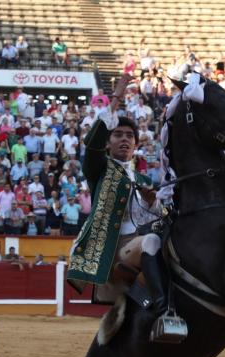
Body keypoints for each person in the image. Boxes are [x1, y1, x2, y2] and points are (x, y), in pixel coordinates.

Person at [66, 73, 175, 339]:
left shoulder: (144, 180)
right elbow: (92, 142)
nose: (124, 139)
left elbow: (158, 218)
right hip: (111, 247)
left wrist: (153, 204)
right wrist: (116, 96)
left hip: (136, 244)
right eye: (118, 135)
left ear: (136, 145)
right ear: (108, 142)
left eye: (129, 136)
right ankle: (164, 309)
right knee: (151, 242)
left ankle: (141, 300)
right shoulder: (99, 168)